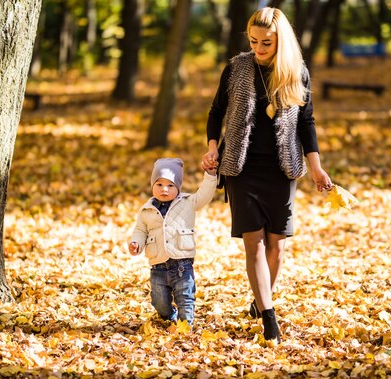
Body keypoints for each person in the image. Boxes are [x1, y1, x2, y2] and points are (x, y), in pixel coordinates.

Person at [202, 7, 332, 343]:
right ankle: (269, 316)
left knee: (277, 247)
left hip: (281, 168)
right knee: (255, 243)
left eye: (266, 43)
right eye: (253, 41)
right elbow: (216, 111)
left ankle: (261, 301)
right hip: (241, 168)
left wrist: (316, 166)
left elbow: (306, 123)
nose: (258, 48)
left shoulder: (296, 72)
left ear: (280, 41)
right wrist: (213, 147)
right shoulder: (236, 68)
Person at [128, 158, 217, 326]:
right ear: (152, 185)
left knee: (185, 297)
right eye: (159, 184)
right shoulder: (147, 210)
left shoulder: (188, 202)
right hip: (158, 265)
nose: (164, 189)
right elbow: (140, 231)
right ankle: (169, 315)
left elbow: (205, 194)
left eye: (170, 185)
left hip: (182, 264)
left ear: (178, 187)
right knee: (159, 301)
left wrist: (210, 174)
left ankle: (185, 325)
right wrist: (136, 244)